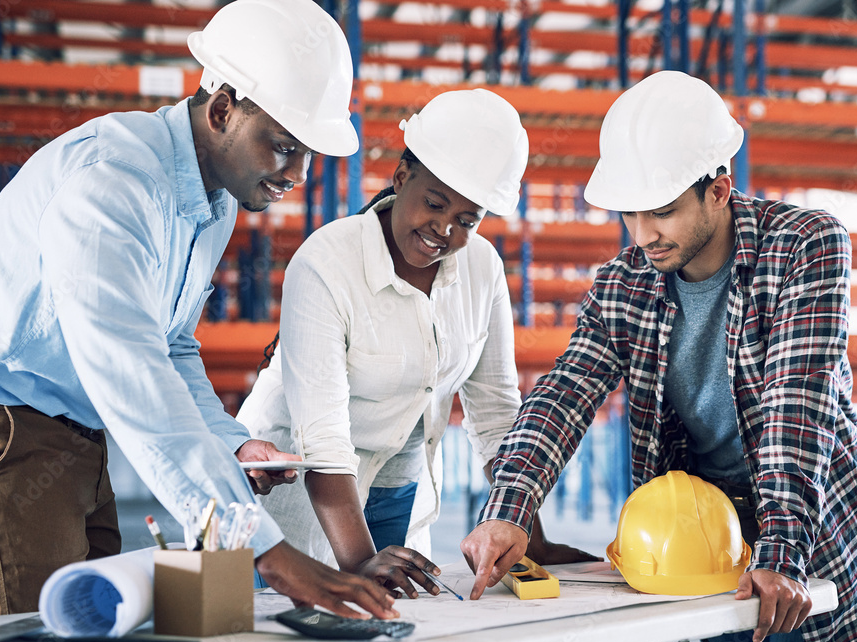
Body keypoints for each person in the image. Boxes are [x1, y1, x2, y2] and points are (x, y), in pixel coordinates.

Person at [0, 0, 397, 620]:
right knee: (18, 633)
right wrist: (263, 549)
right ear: (222, 111)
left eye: (307, 155)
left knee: (91, 625)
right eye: (285, 147)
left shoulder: (214, 203)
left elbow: (170, 346)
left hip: (71, 438)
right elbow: (129, 367)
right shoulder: (114, 185)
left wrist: (228, 444)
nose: (297, 173)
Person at [460, 70, 857, 642]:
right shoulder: (623, 285)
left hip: (807, 514)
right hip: (704, 533)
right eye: (630, 215)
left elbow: (797, 403)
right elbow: (562, 397)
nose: (644, 236)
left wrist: (781, 548)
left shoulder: (806, 245)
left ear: (718, 190)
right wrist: (509, 509)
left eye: (662, 212)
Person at [236, 89, 597, 597]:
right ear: (402, 177)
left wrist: (528, 534)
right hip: (297, 491)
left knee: (394, 632)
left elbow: (495, 412)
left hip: (398, 486)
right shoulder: (327, 263)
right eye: (433, 203)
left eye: (467, 220)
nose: (443, 229)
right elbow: (323, 438)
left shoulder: (482, 269)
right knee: (282, 633)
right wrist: (360, 560)